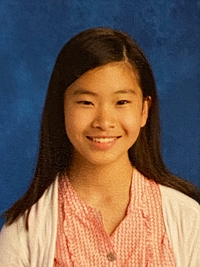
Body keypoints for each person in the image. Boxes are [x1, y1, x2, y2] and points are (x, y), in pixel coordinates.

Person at [0, 27, 200, 267]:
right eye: (86, 102)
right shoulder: (25, 231)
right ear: (61, 107)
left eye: (122, 102)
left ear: (144, 110)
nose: (104, 122)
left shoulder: (188, 219)